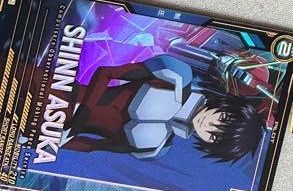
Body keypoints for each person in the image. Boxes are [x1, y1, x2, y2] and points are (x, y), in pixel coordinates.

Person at [62, 54, 264, 162]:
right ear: (226, 105)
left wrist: (54, 142)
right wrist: (81, 117)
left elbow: (93, 146)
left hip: (51, 126)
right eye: (223, 119)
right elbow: (106, 73)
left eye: (216, 137)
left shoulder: (156, 148)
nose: (209, 126)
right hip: (59, 90)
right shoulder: (177, 76)